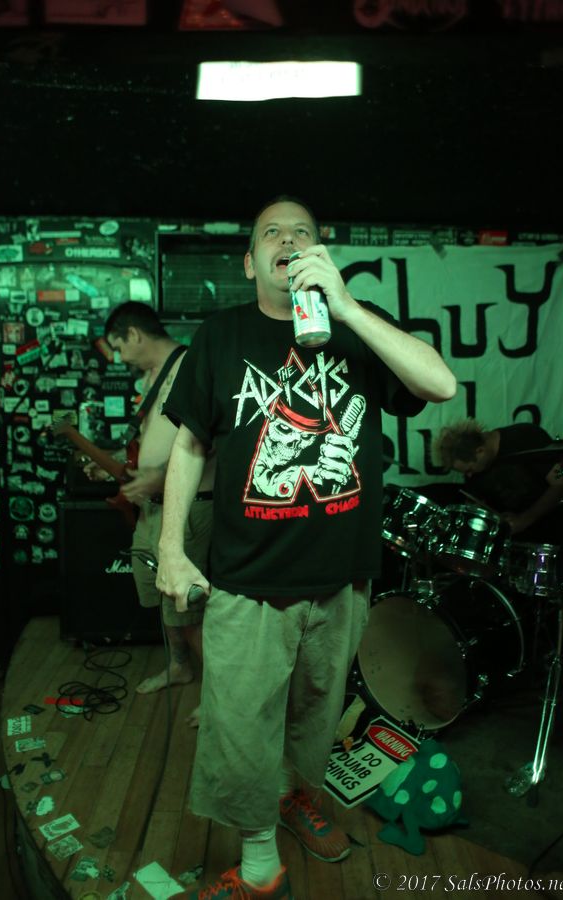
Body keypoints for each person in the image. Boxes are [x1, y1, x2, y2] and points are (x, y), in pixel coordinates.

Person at [156, 196, 457, 899]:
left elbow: (440, 383)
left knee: (317, 714)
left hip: (342, 579)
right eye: (272, 232)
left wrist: (346, 307)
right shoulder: (220, 336)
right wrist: (170, 546)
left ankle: (297, 796)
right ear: (249, 261)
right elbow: (190, 446)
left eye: (302, 232)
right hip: (248, 581)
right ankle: (261, 861)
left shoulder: (356, 325)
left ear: (321, 252)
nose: (287, 240)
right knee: (240, 725)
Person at [85, 301, 215, 714]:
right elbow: (152, 442)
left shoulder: (192, 365)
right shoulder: (152, 375)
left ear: (134, 334)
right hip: (152, 509)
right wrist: (117, 465)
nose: (119, 358)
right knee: (162, 597)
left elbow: (217, 438)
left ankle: (218, 698)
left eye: (119, 347)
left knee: (188, 609)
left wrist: (162, 476)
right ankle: (180, 667)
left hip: (188, 506)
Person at [434, 418, 563, 543]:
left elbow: (562, 484)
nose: (469, 475)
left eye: (469, 469)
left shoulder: (525, 437)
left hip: (553, 531)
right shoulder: (476, 470)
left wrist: (524, 520)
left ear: (480, 451)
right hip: (513, 543)